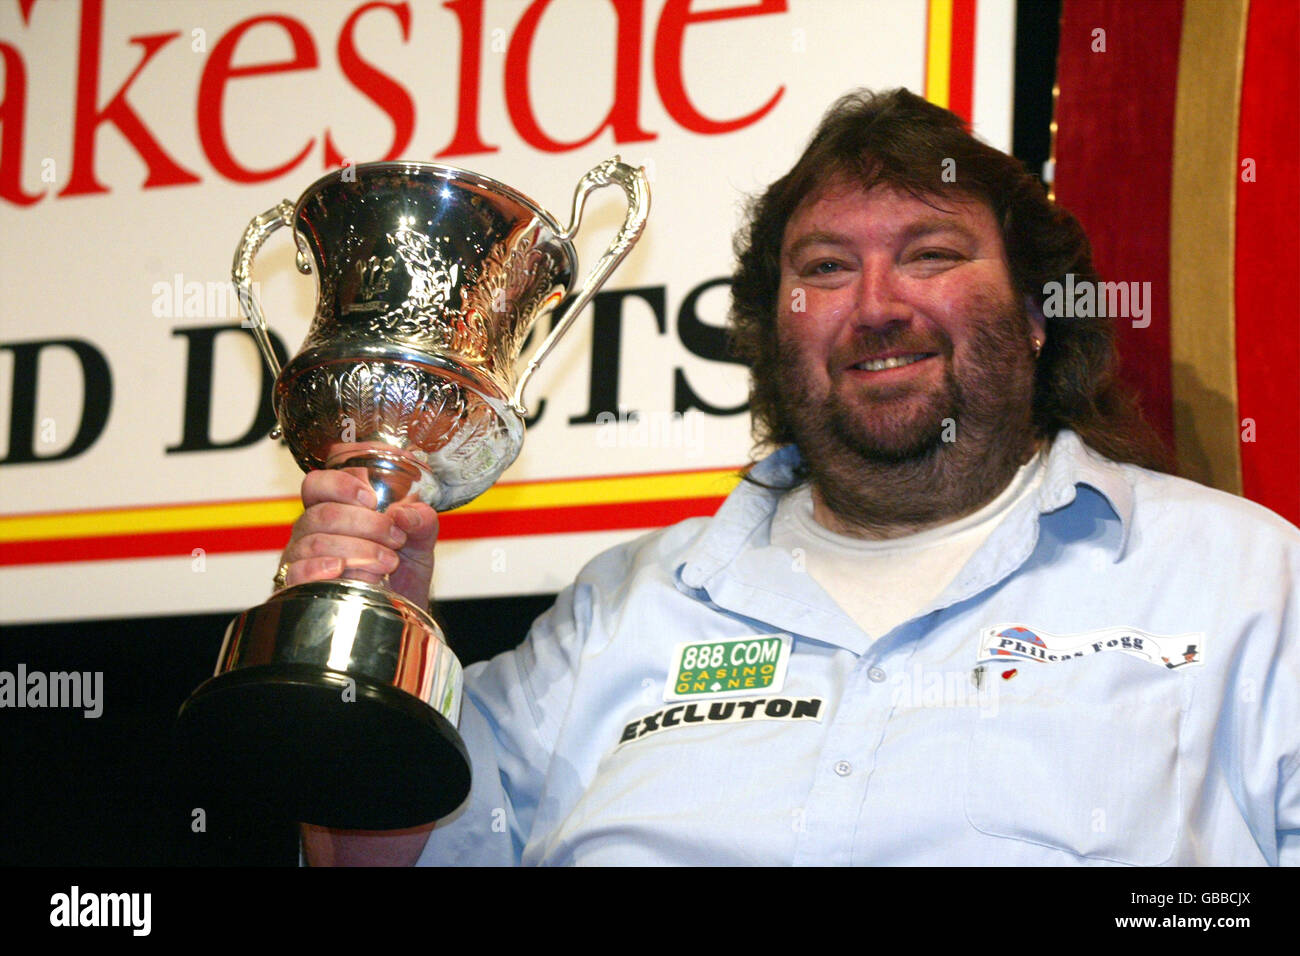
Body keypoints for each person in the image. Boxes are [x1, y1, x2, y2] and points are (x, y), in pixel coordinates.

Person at [294, 89, 1299, 866]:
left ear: (1036, 314)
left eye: (930, 252)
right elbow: (391, 856)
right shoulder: (621, 605)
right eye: (822, 268)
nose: (874, 305)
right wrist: (368, 661)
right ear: (772, 328)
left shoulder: (1240, 577)